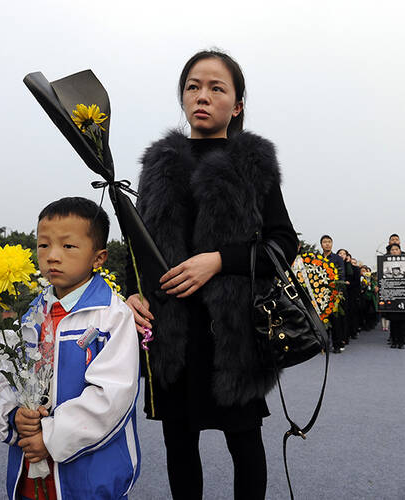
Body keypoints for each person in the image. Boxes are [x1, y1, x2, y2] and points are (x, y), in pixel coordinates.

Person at [125, 49, 298, 500]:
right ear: (182, 97)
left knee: (244, 439)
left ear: (237, 104)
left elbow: (284, 243)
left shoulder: (252, 163)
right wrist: (132, 294)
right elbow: (138, 246)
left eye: (217, 88)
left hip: (234, 332)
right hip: (171, 329)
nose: (202, 96)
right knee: (178, 442)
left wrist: (219, 259)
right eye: (193, 86)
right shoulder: (158, 165)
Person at [0, 197, 141, 500]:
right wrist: (12, 415)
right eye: (43, 245)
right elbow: (0, 380)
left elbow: (113, 395)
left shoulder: (111, 316)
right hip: (31, 470)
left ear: (99, 257)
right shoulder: (28, 315)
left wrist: (52, 437)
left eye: (68, 246)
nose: (52, 256)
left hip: (90, 472)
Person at [321, 235, 346, 353]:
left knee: (335, 321)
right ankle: (324, 345)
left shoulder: (337, 258)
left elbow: (342, 276)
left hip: (334, 293)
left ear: (332, 244)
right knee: (323, 320)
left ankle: (337, 344)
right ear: (321, 244)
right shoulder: (317, 258)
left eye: (329, 242)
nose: (327, 244)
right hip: (320, 293)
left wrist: (339, 291)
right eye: (325, 242)